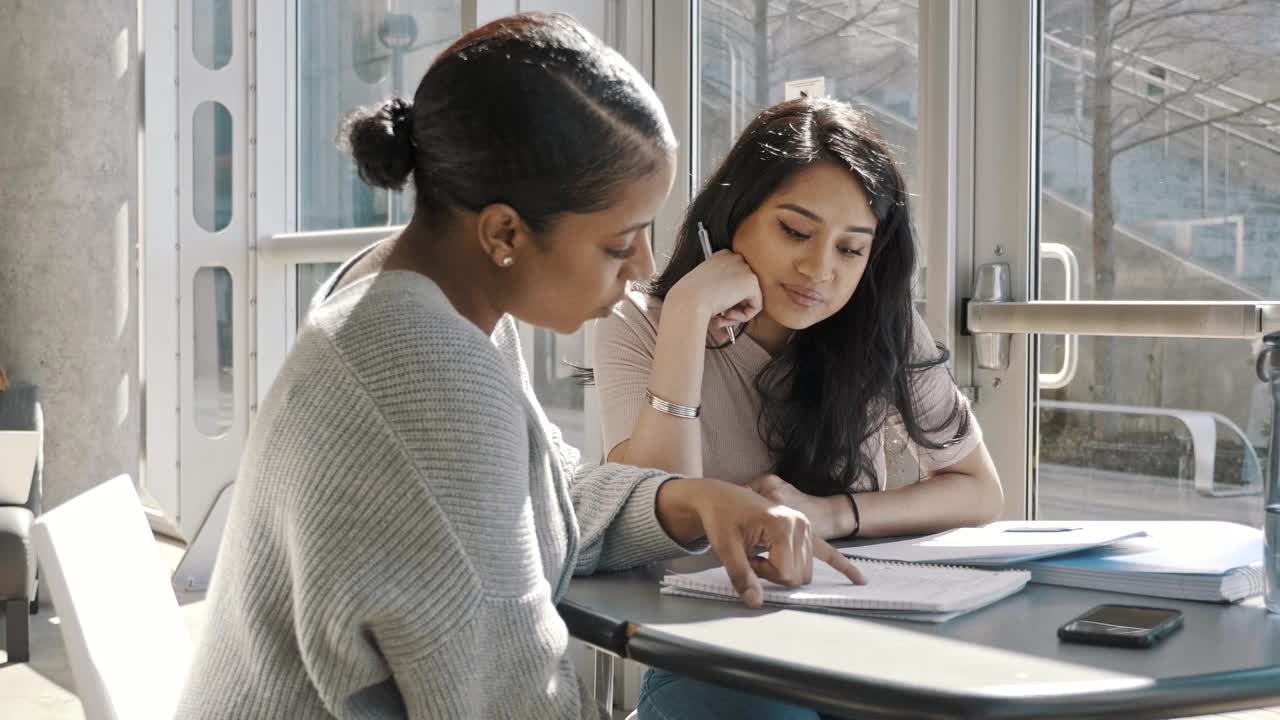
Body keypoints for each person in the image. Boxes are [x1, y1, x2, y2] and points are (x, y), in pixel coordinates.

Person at [174, 13, 862, 720]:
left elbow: (532, 498)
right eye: (619, 242)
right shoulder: (424, 380)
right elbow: (513, 700)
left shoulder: (411, 298)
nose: (644, 269)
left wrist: (685, 502)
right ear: (504, 232)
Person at [592, 96, 1003, 720]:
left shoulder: (880, 328)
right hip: (715, 649)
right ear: (734, 217)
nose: (819, 270)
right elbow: (657, 516)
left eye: (851, 249)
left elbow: (979, 492)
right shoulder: (643, 324)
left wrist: (828, 515)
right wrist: (687, 315)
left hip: (860, 640)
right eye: (795, 231)